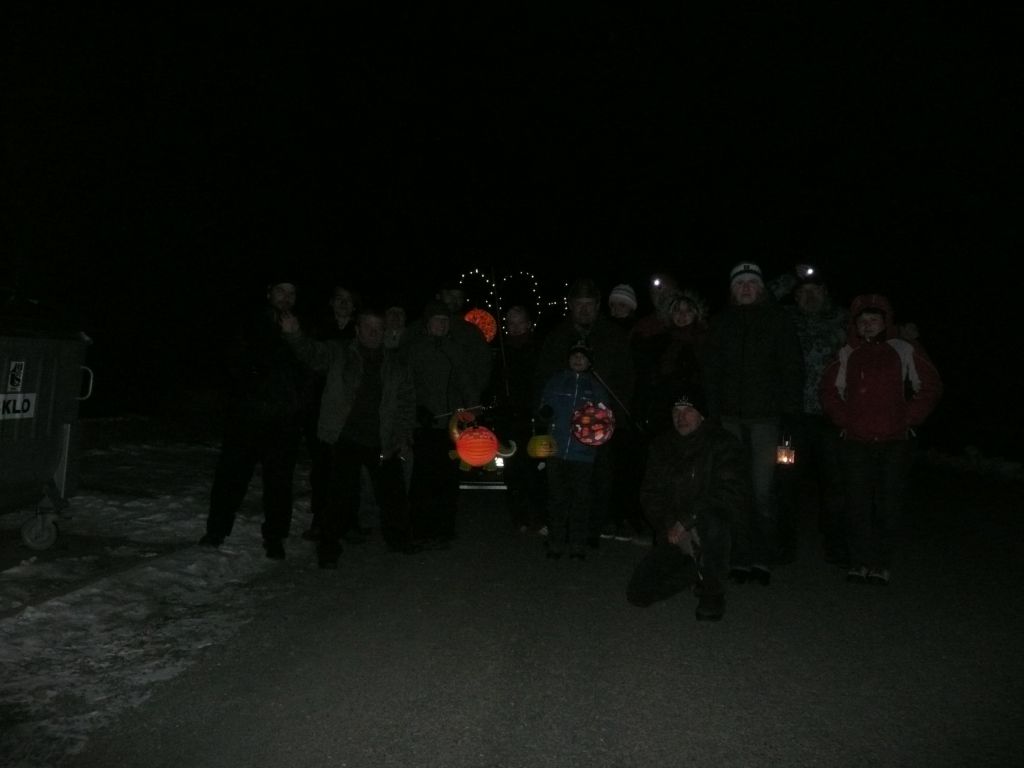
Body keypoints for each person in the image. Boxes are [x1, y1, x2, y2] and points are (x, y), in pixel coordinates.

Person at [821, 293, 943, 585]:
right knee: (857, 503)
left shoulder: (904, 348)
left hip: (895, 441)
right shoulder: (847, 352)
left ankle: (881, 563)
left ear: (885, 321)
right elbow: (828, 390)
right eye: (863, 320)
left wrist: (908, 417)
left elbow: (930, 385)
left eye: (874, 319)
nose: (868, 324)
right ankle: (859, 561)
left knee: (888, 504)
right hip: (856, 441)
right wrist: (845, 419)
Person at [281, 306, 417, 567]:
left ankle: (400, 540)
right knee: (338, 497)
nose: (373, 332)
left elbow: (406, 402)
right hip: (345, 438)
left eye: (378, 328)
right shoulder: (340, 353)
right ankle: (328, 550)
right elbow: (312, 353)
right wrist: (295, 334)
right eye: (368, 327)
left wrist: (403, 435)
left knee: (393, 494)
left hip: (382, 439)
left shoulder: (396, 364)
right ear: (357, 330)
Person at [702, 262, 804, 585]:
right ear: (732, 290)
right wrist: (713, 415)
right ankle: (739, 557)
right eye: (740, 283)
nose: (746, 288)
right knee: (733, 490)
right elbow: (711, 372)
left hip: (766, 420)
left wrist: (789, 416)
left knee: (762, 491)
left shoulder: (778, 320)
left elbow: (792, 369)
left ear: (760, 289)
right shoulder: (721, 323)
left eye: (751, 283)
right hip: (729, 420)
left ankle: (763, 557)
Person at [200, 279, 308, 560]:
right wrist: (254, 381)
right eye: (281, 290)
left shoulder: (302, 327)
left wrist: (296, 400)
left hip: (284, 419)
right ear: (269, 292)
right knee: (231, 477)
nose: (286, 297)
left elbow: (309, 365)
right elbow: (233, 360)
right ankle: (216, 531)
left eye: (292, 292)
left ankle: (275, 537)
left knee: (279, 483)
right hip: (248, 415)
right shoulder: (249, 322)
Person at [627, 394, 749, 621]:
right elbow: (650, 494)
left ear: (702, 415)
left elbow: (728, 493)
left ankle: (712, 591)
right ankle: (695, 570)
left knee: (714, 523)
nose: (681, 417)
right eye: (676, 411)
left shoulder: (724, 443)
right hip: (675, 529)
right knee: (638, 594)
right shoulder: (661, 445)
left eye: (688, 411)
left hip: (710, 525)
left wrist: (686, 521)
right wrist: (669, 525)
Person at [536, 277, 634, 547]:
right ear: (570, 305)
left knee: (600, 479)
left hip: (600, 423)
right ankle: (561, 529)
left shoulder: (613, 336)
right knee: (561, 481)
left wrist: (616, 418)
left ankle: (592, 530)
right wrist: (542, 415)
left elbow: (626, 378)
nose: (584, 310)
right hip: (563, 424)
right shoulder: (557, 337)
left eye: (589, 304)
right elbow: (543, 379)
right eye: (579, 304)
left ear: (598, 305)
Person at [771, 265, 850, 565]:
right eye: (803, 292)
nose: (809, 296)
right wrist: (792, 277)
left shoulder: (843, 320)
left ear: (825, 293)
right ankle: (783, 545)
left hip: (830, 420)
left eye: (814, 291)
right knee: (785, 481)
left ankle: (836, 545)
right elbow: (762, 298)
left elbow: (878, 327)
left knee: (835, 484)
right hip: (791, 421)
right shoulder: (785, 319)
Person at [404, 298, 481, 546]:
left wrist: (473, 409)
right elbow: (406, 385)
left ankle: (444, 529)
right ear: (427, 324)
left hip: (452, 425)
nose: (441, 325)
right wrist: (416, 411)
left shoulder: (456, 350)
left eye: (445, 321)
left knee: (448, 478)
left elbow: (467, 382)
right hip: (424, 425)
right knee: (423, 477)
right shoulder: (415, 350)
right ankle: (420, 529)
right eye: (437, 320)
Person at [538, 341, 612, 560]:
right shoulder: (557, 381)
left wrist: (598, 431)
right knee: (557, 498)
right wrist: (545, 412)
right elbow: (543, 406)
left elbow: (605, 416)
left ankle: (577, 544)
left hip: (584, 454)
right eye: (574, 356)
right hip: (557, 449)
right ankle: (556, 542)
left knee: (581, 499)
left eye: (583, 357)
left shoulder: (595, 387)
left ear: (589, 362)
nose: (578, 360)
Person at [302, 284, 360, 542]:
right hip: (320, 407)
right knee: (322, 466)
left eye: (348, 299)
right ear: (331, 302)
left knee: (351, 466)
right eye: (339, 299)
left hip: (352, 408)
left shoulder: (361, 330)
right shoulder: (317, 330)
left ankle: (350, 520)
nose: (344, 304)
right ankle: (320, 519)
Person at [488, 304, 547, 533]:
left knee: (537, 468)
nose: (515, 327)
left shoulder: (539, 349)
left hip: (533, 417)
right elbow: (493, 383)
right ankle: (519, 517)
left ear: (528, 324)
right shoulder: (501, 351)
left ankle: (539, 517)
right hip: (508, 418)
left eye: (519, 322)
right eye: (511, 323)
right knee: (513, 469)